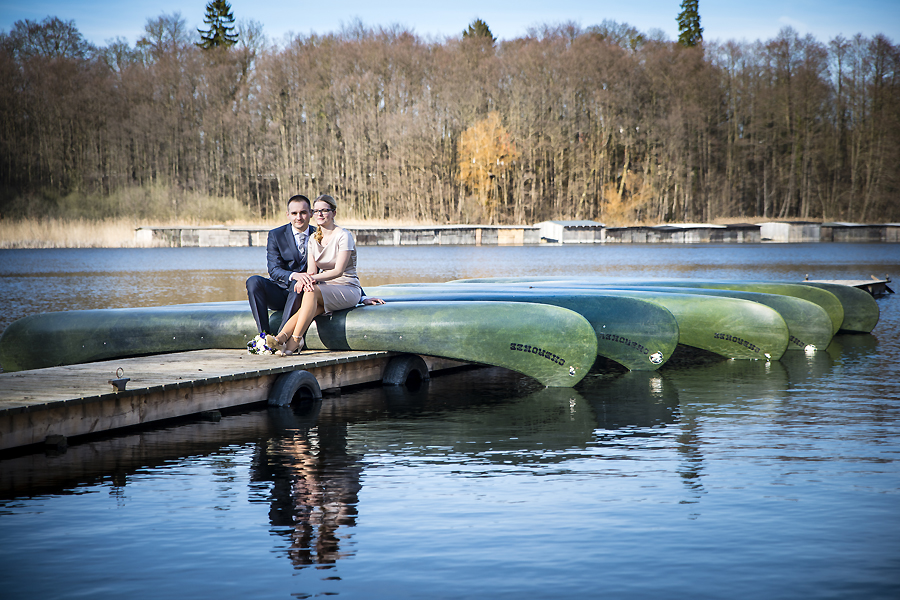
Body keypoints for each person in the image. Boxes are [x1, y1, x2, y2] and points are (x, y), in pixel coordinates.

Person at [267, 194, 383, 355]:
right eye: (316, 211)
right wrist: (305, 279)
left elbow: (338, 271)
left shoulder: (344, 236)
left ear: (334, 213)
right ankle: (280, 339)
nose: (320, 214)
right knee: (309, 302)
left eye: (325, 210)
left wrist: (309, 279)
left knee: (311, 290)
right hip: (327, 289)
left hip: (347, 288)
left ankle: (294, 341)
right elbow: (312, 271)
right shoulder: (314, 238)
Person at [246, 195, 315, 340]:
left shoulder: (320, 235)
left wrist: (361, 296)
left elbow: (337, 268)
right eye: (294, 213)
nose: (299, 217)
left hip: (305, 294)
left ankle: (280, 338)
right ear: (288, 214)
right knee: (253, 281)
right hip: (279, 291)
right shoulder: (276, 235)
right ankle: (264, 336)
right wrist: (294, 275)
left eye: (303, 212)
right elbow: (274, 270)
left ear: (311, 213)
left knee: (299, 285)